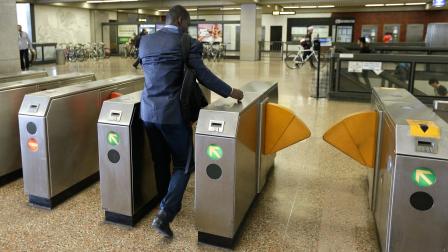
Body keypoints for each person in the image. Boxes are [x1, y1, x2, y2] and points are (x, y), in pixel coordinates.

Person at [138, 5, 244, 239]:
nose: (188, 27)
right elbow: (203, 75)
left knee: (159, 160)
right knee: (184, 163)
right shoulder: (186, 43)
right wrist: (232, 92)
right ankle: (165, 214)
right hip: (173, 114)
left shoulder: (145, 42)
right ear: (179, 20)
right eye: (187, 23)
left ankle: (164, 201)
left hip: (147, 111)